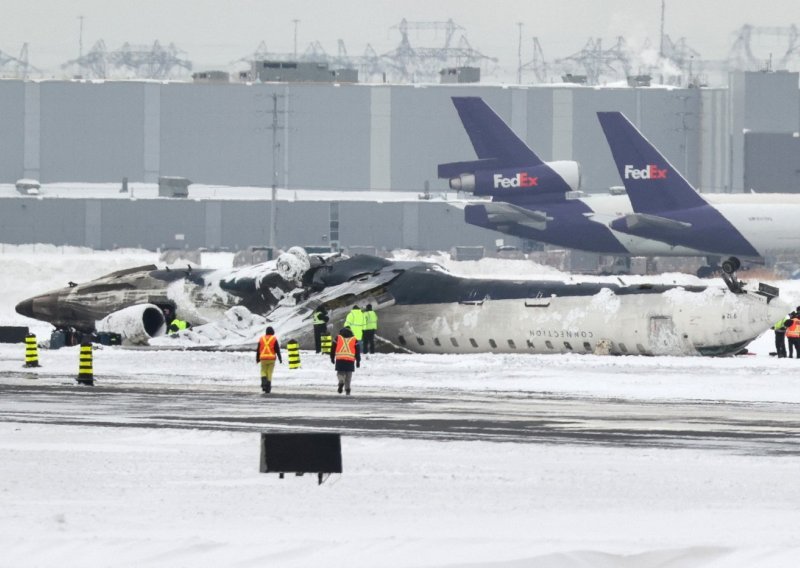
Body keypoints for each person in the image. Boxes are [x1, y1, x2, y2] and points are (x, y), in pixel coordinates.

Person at [330, 326, 360, 395]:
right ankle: (347, 390)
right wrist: (358, 360)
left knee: (340, 373)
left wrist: (332, 357)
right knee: (348, 376)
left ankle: (341, 381)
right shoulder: (354, 339)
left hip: (340, 359)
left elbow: (333, 348)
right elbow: (357, 351)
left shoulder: (338, 338)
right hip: (350, 360)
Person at [256, 326, 282, 393]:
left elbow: (258, 350)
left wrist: (257, 358)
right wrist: (280, 358)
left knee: (263, 371)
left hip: (263, 359)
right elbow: (277, 349)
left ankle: (264, 384)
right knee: (269, 373)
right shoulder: (274, 339)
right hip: (271, 359)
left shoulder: (261, 339)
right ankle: (268, 388)